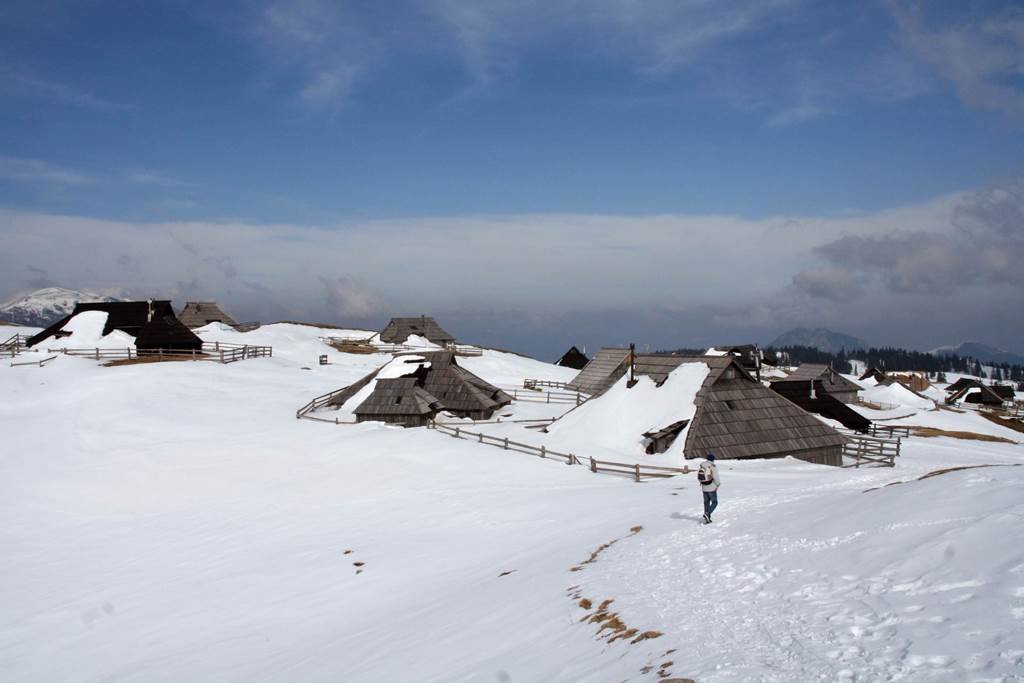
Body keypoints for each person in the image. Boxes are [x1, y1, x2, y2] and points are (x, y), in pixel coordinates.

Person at [698, 453, 720, 524]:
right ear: (713, 459)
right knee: (714, 502)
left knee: (706, 503)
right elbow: (716, 477)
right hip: (711, 488)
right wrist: (718, 484)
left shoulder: (702, 466)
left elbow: (700, 477)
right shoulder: (712, 466)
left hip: (704, 488)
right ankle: (707, 514)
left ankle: (707, 518)